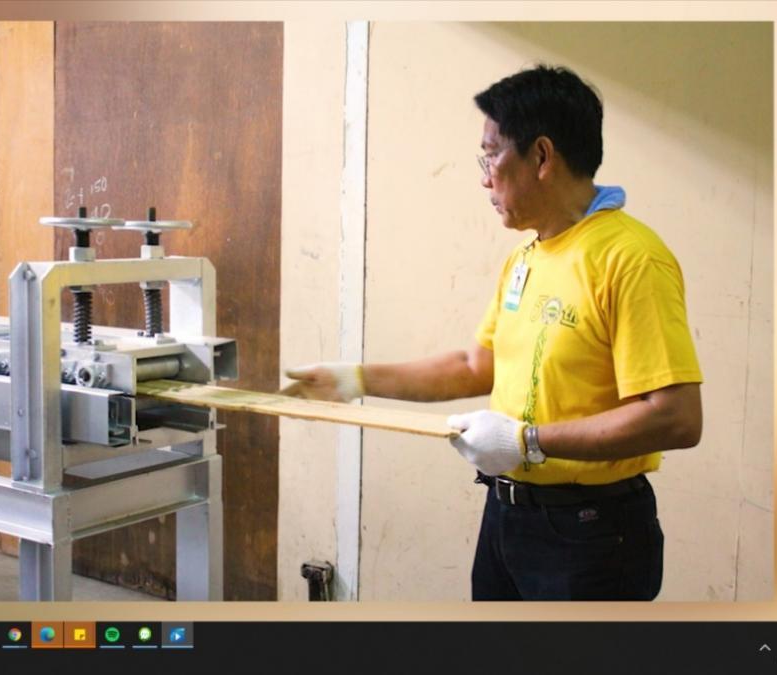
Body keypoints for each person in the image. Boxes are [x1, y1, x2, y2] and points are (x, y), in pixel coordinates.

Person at [281, 64, 703, 601]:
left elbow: (677, 418)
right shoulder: (527, 257)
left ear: (542, 157)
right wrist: (353, 379)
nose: (483, 176)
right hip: (507, 517)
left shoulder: (631, 259)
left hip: (592, 534)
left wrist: (529, 441)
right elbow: (475, 366)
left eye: (491, 154)